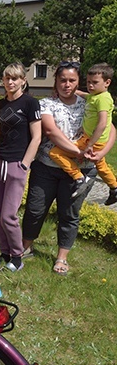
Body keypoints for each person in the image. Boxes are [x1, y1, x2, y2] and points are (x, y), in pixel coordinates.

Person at [22, 62, 116, 276]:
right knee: (35, 210)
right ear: (56, 81)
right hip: (47, 167)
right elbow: (51, 131)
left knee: (69, 214)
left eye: (72, 80)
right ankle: (26, 246)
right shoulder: (46, 103)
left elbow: (111, 129)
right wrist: (78, 151)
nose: (67, 84)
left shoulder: (90, 101)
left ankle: (62, 257)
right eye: (62, 80)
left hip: (82, 170)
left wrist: (101, 153)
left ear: (78, 82)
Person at [0, 63, 41, 272]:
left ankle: (17, 256)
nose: (11, 82)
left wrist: (24, 164)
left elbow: (36, 137)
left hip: (16, 163)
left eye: (15, 78)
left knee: (9, 215)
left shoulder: (30, 103)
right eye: (7, 78)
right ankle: (4, 253)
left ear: (23, 81)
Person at [49, 62, 117, 205]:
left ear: (107, 82)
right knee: (101, 165)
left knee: (55, 153)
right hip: (91, 139)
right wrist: (72, 91)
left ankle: (78, 177)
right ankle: (114, 188)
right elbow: (86, 95)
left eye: (95, 83)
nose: (90, 86)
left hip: (92, 140)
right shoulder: (96, 96)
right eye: (88, 82)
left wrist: (90, 144)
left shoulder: (104, 98)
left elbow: (103, 123)